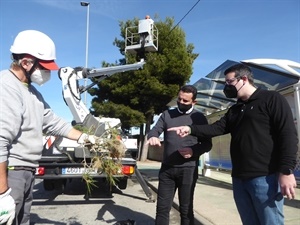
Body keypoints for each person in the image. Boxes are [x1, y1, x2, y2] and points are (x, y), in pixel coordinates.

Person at [168, 64, 298, 225]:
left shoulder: (271, 99)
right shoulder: (235, 109)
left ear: (243, 79)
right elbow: (216, 128)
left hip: (265, 178)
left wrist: (286, 170)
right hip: (239, 179)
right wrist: (189, 128)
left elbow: (288, 135)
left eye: (229, 82)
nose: (227, 87)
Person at [0, 30, 94, 225]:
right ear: (26, 63)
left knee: (22, 220)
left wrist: (84, 138)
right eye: (44, 67)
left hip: (26, 171)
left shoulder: (32, 93)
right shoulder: (6, 86)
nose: (48, 72)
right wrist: (2, 193)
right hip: (11, 172)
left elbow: (53, 122)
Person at [147, 85, 212, 225]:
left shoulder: (199, 118)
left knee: (186, 208)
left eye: (185, 101)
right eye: (179, 99)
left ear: (194, 102)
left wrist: (193, 151)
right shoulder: (167, 115)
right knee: (162, 208)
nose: (181, 102)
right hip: (167, 169)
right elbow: (155, 130)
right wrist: (153, 136)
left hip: (188, 169)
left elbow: (207, 144)